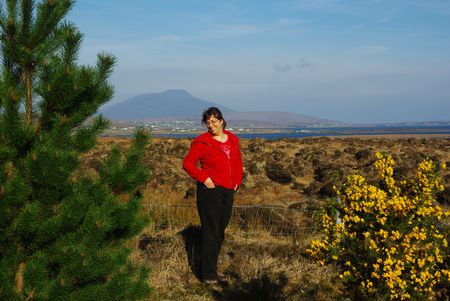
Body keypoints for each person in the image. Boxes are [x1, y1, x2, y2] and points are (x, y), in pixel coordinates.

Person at [183, 107, 243, 284]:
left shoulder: (233, 139)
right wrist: (203, 176)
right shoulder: (202, 142)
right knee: (210, 231)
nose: (210, 125)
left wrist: (237, 180)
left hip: (228, 190)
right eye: (207, 123)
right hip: (210, 191)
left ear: (222, 121)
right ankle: (208, 275)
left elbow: (238, 161)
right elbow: (187, 163)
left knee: (219, 230)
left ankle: (211, 270)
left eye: (214, 122)